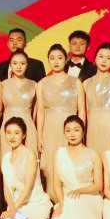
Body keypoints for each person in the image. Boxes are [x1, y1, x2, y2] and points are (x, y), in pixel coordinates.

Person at [48, 116, 110, 219]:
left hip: (88, 196)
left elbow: (98, 185)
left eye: (76, 130)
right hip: (66, 197)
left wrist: (80, 191)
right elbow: (57, 183)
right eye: (68, 131)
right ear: (64, 133)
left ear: (83, 132)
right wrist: (61, 204)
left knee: (75, 202)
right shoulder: (58, 154)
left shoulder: (93, 155)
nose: (72, 134)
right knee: (59, 218)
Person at [0, 118, 53, 219]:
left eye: (16, 133)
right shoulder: (6, 158)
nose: (12, 136)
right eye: (9, 133)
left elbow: (28, 188)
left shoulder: (30, 155)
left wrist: (13, 209)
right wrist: (11, 207)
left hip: (34, 202)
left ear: (24, 135)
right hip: (16, 203)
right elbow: (7, 189)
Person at [36, 44, 85, 196]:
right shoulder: (42, 83)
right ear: (48, 61)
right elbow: (40, 111)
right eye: (52, 58)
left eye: (59, 58)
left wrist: (81, 131)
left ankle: (71, 197)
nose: (56, 61)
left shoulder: (76, 82)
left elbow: (82, 110)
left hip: (70, 127)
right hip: (50, 128)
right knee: (50, 163)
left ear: (66, 60)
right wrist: (39, 135)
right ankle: (52, 198)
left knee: (70, 162)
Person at [83, 43, 110, 154]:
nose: (104, 61)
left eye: (108, 58)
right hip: (92, 128)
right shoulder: (86, 83)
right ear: (95, 59)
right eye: (101, 56)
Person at [0, 51, 39, 159]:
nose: (18, 67)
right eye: (15, 63)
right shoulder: (2, 85)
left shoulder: (34, 85)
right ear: (10, 65)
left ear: (27, 65)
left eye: (22, 63)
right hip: (7, 127)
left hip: (28, 127)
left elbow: (37, 111)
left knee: (29, 160)